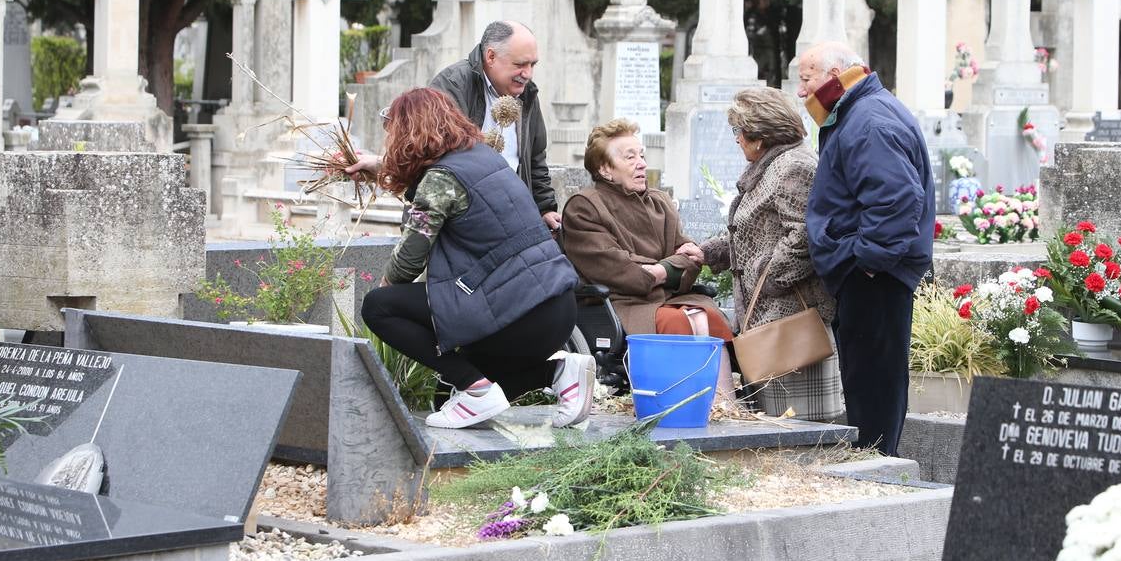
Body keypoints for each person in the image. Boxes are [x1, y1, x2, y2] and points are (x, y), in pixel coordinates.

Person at [345, 88, 592, 430]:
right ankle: (559, 373)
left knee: (379, 307)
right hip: (555, 308)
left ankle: (475, 392)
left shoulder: (441, 180)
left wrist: (388, 290)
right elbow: (446, 194)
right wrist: (382, 169)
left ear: (408, 133)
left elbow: (408, 261)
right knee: (470, 379)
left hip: (519, 314)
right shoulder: (484, 157)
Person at [801, 42, 935, 455]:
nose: (801, 90)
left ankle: (877, 467)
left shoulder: (868, 119)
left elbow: (896, 198)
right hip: (869, 271)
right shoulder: (859, 111)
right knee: (869, 378)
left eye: (806, 78)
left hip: (875, 276)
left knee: (874, 382)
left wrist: (868, 261)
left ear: (835, 73)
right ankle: (874, 461)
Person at [560, 119, 738, 405]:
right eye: (629, 157)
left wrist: (659, 269)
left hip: (667, 296)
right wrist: (668, 268)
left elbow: (690, 255)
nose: (641, 163)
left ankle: (723, 406)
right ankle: (682, 405)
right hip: (622, 303)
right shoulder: (585, 207)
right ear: (605, 169)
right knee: (677, 320)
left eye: (641, 155)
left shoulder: (659, 202)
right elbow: (618, 267)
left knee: (712, 317)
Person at [698, 88, 844, 421]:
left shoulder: (792, 167)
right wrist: (708, 253)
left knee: (797, 427)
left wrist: (769, 275)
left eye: (739, 132)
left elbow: (806, 235)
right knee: (776, 423)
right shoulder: (775, 165)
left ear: (760, 138)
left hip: (790, 319)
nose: (736, 140)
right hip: (771, 317)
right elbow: (759, 233)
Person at [429, 20, 561, 232]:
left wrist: (545, 208)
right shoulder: (452, 85)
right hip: (462, 220)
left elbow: (535, 158)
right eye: (520, 64)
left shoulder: (527, 94)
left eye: (532, 65)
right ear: (490, 57)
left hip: (514, 216)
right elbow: (439, 157)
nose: (528, 74)